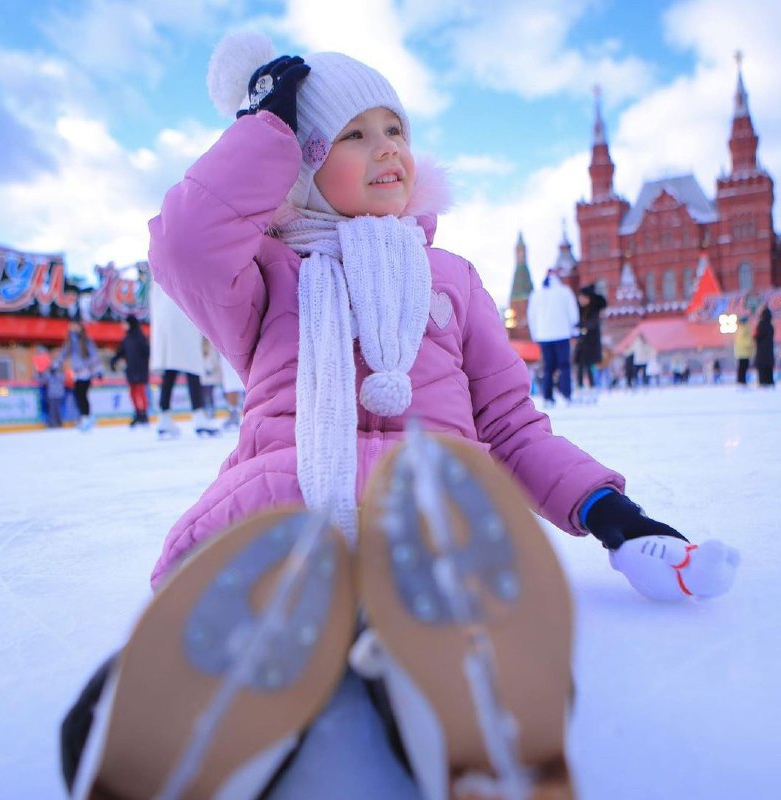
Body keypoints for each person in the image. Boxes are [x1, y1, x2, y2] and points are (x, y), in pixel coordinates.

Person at [61, 34, 740, 800]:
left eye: (396, 130)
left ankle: (472, 721)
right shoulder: (265, 276)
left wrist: (611, 511)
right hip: (281, 507)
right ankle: (182, 726)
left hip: (428, 514)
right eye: (352, 133)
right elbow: (185, 242)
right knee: (249, 613)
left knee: (454, 611)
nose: (387, 150)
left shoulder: (451, 280)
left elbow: (512, 426)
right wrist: (264, 131)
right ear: (299, 161)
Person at [149, 281, 220, 437]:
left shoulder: (157, 263)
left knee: (170, 369)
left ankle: (164, 417)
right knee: (192, 366)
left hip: (164, 319)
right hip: (184, 312)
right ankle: (199, 416)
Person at [526, 266, 579, 405]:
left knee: (548, 367)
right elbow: (573, 314)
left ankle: (547, 396)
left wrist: (535, 334)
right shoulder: (565, 292)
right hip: (562, 334)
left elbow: (531, 316)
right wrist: (573, 329)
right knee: (564, 366)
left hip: (544, 335)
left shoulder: (536, 295)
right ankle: (567, 394)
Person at [57, 319, 102, 431]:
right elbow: (63, 354)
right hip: (76, 373)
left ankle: (87, 417)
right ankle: (85, 417)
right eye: (71, 326)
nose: (73, 328)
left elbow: (94, 357)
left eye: (75, 325)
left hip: (86, 373)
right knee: (79, 396)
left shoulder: (86, 340)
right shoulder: (69, 342)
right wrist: (56, 365)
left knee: (83, 395)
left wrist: (98, 371)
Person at [110, 315, 151, 427]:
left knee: (140, 391)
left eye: (125, 323)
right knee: (133, 392)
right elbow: (121, 352)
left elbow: (147, 352)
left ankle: (144, 414)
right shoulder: (127, 338)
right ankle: (137, 412)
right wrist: (114, 360)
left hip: (141, 370)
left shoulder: (140, 337)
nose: (123, 326)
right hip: (131, 370)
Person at [573, 283, 607, 393]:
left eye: (583, 298)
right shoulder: (578, 310)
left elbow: (593, 324)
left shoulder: (594, 310)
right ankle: (579, 388)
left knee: (588, 366)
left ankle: (592, 388)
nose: (581, 300)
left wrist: (582, 328)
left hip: (591, 343)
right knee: (580, 365)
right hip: (581, 343)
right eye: (580, 298)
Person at [200, 337, 222, 418]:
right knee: (202, 395)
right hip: (202, 378)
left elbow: (216, 362)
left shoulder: (213, 349)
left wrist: (211, 370)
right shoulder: (199, 349)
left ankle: (211, 411)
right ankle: (204, 412)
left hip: (211, 377)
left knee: (209, 394)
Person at [754, 305, 775, 387]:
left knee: (762, 369)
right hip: (769, 352)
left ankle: (763, 383)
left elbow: (756, 337)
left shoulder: (760, 325)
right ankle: (770, 382)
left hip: (761, 352)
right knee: (769, 369)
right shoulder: (771, 326)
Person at [40, 362, 67, 428]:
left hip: (58, 395)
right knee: (52, 410)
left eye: (55, 369)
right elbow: (42, 380)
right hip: (51, 395)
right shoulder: (49, 375)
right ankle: (52, 423)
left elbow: (63, 379)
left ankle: (59, 423)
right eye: (52, 369)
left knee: (57, 410)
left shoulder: (60, 375)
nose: (54, 371)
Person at [734, 315, 754, 387]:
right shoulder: (744, 330)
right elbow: (745, 341)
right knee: (743, 368)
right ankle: (742, 382)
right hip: (744, 352)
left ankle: (741, 381)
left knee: (742, 368)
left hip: (741, 352)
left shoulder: (740, 329)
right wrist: (750, 344)